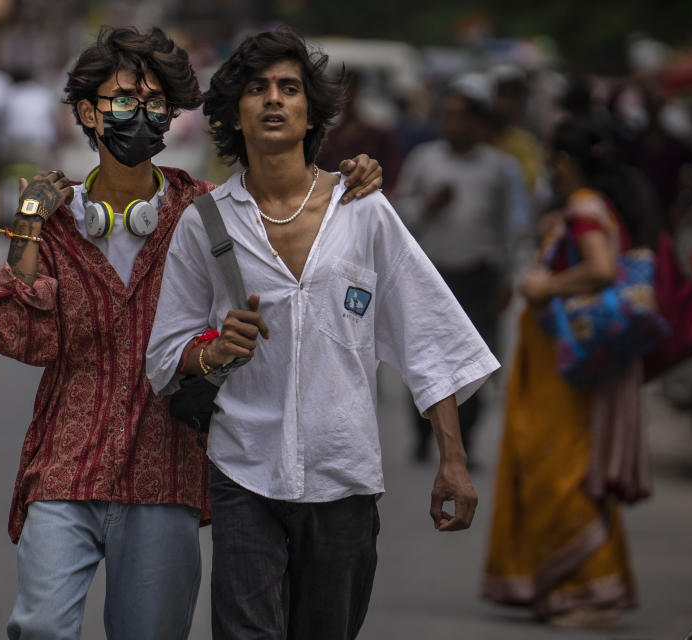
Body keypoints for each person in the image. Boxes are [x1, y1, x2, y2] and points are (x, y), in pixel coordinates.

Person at [0, 25, 383, 640]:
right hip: (67, 463)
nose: (139, 115)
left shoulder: (207, 213)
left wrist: (349, 176)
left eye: (154, 104)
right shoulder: (58, 222)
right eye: (121, 102)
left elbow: (285, 203)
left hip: (164, 472)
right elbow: (19, 337)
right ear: (88, 112)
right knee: (37, 627)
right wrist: (29, 226)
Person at [145, 29, 498, 639]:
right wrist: (213, 349)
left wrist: (454, 460)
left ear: (312, 110)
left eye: (289, 88)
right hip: (243, 471)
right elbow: (162, 359)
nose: (274, 100)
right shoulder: (204, 224)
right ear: (235, 111)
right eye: (257, 89)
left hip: (345, 475)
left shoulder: (363, 210)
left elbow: (427, 335)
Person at [481, 117, 648, 627]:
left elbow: (598, 269)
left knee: (559, 465)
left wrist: (546, 287)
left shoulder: (582, 207)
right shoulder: (591, 206)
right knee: (558, 460)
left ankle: (587, 590)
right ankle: (569, 582)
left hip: (563, 365)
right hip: (559, 360)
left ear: (565, 163)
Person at [394, 77, 519, 464]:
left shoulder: (498, 168)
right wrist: (427, 207)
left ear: (477, 123)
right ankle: (421, 434)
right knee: (424, 359)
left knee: (473, 362)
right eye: (446, 116)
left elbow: (508, 227)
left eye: (460, 118)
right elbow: (396, 215)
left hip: (477, 277)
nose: (451, 125)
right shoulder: (425, 160)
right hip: (431, 276)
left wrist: (506, 277)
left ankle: (466, 442)